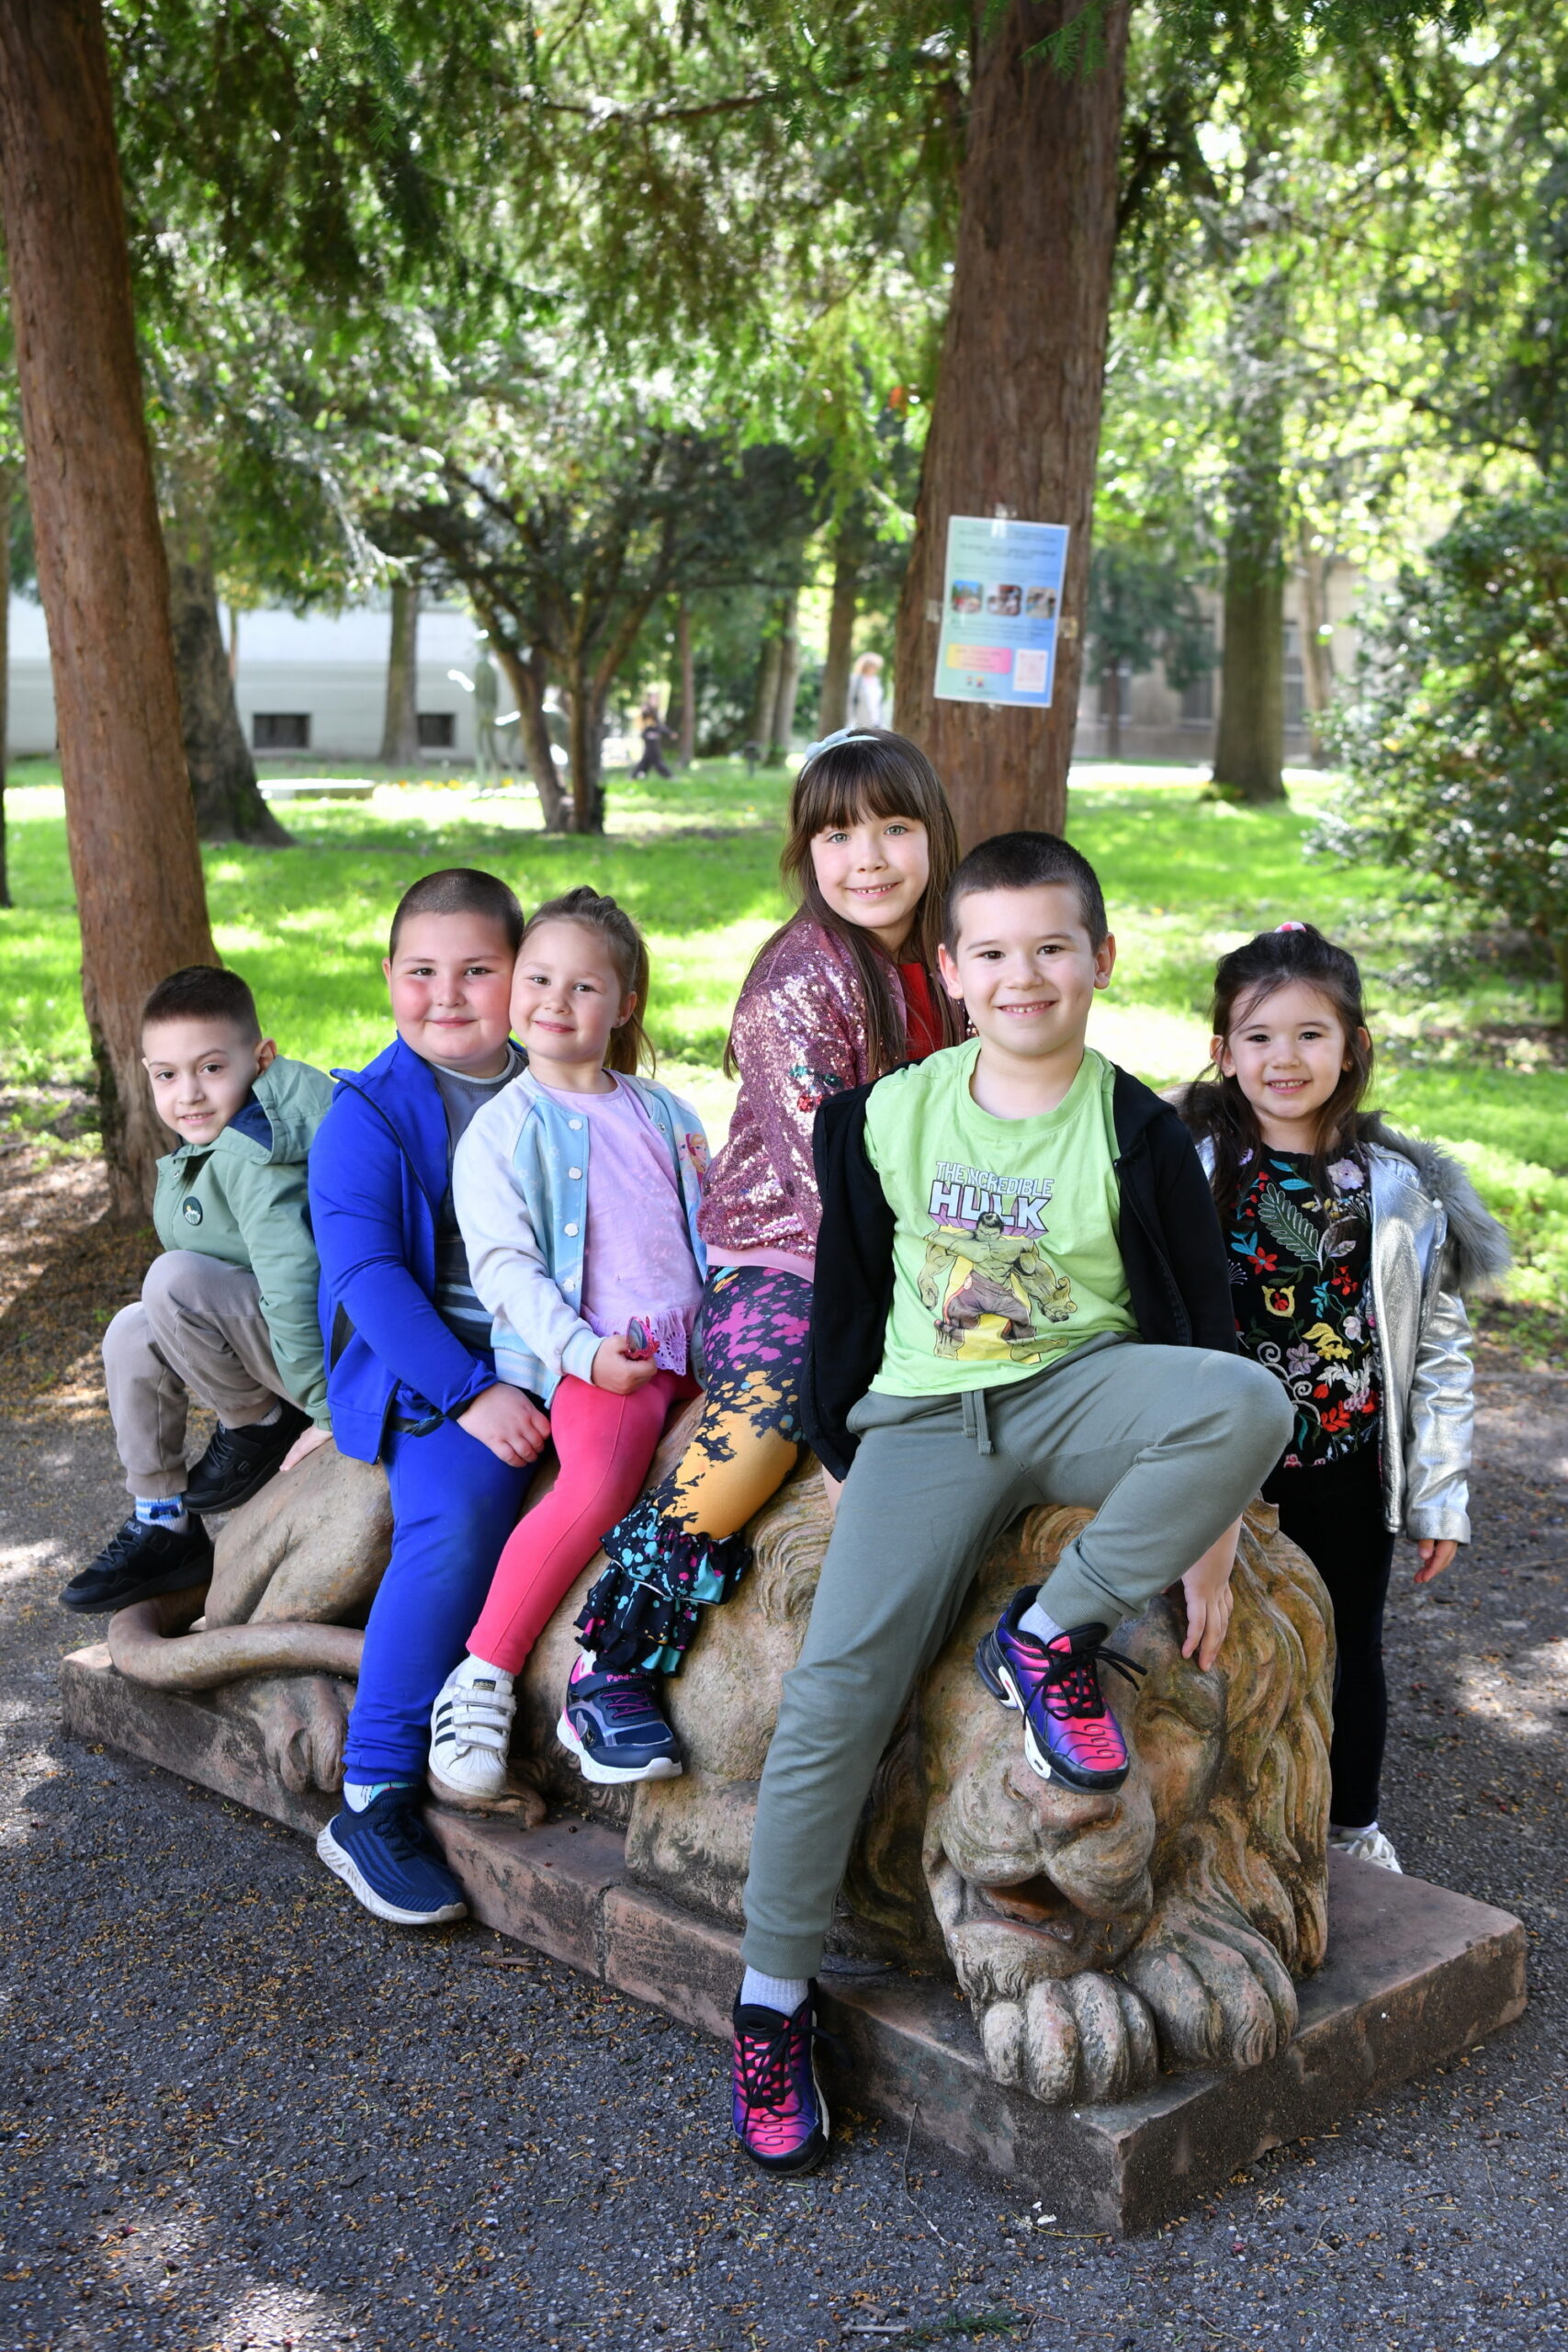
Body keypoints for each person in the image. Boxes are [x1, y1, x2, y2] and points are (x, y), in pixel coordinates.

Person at [728, 830, 1293, 2176]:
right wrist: (847, 1458)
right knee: (834, 1694)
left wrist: (1208, 1537)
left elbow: (1205, 1339)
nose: (1022, 974)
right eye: (991, 952)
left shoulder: (1137, 1132)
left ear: (1102, 959)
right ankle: (768, 2000)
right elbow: (845, 1302)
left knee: (1248, 1403)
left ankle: (1049, 1633)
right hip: (928, 1419)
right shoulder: (885, 1116)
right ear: (951, 968)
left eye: (1051, 947)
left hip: (1082, 1393)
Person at [562, 728, 964, 1784]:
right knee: (774, 1402)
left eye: (893, 828)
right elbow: (828, 1173)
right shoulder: (797, 982)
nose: (866, 858)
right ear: (805, 851)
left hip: (945, 1246)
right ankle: (615, 1651)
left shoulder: (965, 959)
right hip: (790, 1253)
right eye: (837, 835)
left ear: (936, 834)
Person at [1176, 922, 1508, 1875]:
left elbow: (1438, 1349)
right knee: (1207, 1640)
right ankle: (1219, 1821)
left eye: (1309, 1034)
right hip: (1221, 1475)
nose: (1284, 1057)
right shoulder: (1192, 1167)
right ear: (1223, 1051)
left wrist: (1438, 1493)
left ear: (1352, 1046)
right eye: (1259, 1036)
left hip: (1346, 1470)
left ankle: (1351, 1826)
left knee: (1345, 1648)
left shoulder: (1397, 1189)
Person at [425, 888, 709, 1802]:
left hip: (700, 1352)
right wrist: (584, 1356)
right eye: (538, 979)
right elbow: (506, 1269)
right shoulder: (503, 1130)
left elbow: (712, 1231)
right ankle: (485, 1672)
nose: (555, 1000)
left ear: (625, 1004)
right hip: (605, 1363)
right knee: (595, 1486)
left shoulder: (669, 1114)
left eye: (583, 986)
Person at [309, 868, 551, 1928]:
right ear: (388, 976)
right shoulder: (365, 1116)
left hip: (563, 1345)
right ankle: (372, 1792)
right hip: (437, 1365)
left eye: (476, 970)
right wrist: (469, 1394)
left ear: (523, 976)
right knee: (459, 1515)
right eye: (421, 971)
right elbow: (369, 1279)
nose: (445, 995)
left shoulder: (557, 1080)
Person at [60, 967, 335, 1614]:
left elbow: (294, 1284)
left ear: (260, 1058)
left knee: (173, 1280)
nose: (188, 1094)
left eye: (211, 1068)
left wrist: (329, 1412)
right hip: (276, 1344)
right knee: (131, 1331)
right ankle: (164, 1523)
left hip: (328, 1357)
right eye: (166, 1075)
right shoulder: (218, 1138)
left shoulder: (259, 1151)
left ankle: (259, 1426)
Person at [632, 706, 676, 780]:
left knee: (647, 761)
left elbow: (660, 728)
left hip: (654, 744)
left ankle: (635, 776)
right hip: (649, 744)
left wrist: (669, 733)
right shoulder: (642, 719)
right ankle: (669, 776)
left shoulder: (653, 718)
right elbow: (642, 732)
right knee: (652, 761)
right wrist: (647, 735)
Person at [844, 653, 884, 731]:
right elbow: (850, 702)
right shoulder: (855, 680)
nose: (875, 669)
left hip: (876, 721)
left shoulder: (876, 680)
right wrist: (850, 721)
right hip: (860, 721)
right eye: (873, 666)